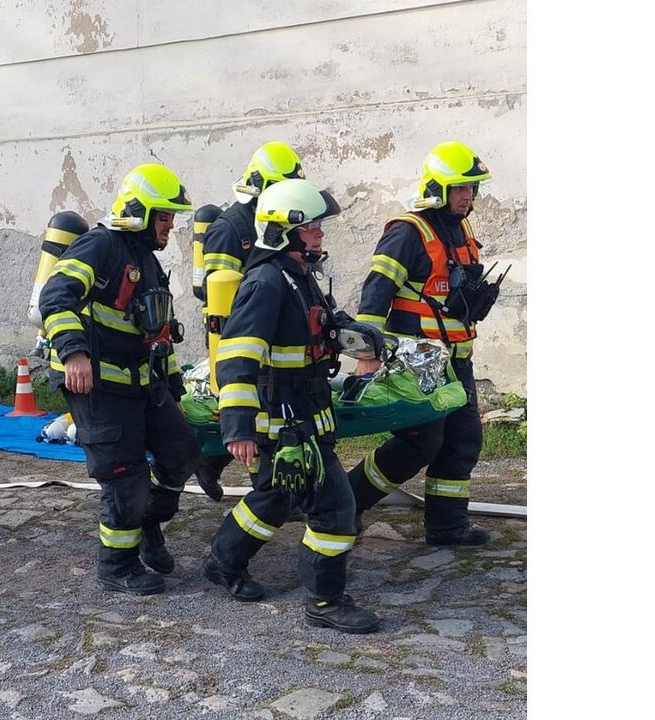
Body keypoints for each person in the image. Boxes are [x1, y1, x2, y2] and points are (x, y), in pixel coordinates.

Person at [203, 178, 380, 634]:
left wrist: (355, 334)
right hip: (282, 422)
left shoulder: (299, 275)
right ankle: (325, 600)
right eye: (314, 227)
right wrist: (238, 427)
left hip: (305, 414)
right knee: (335, 509)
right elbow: (238, 356)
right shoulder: (265, 281)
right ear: (286, 230)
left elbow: (321, 325)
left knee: (276, 495)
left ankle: (223, 562)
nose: (321, 234)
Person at [38, 163, 201, 595]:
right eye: (163, 217)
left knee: (183, 451)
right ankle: (117, 566)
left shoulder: (146, 260)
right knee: (124, 474)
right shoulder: (101, 246)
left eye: (171, 217)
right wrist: (74, 352)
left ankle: (149, 522)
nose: (169, 225)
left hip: (144, 384)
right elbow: (56, 296)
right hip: (97, 387)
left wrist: (175, 391)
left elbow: (158, 336)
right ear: (139, 212)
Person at [347, 141, 499, 546]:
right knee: (420, 444)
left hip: (457, 361)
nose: (467, 196)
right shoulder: (407, 232)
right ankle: (345, 505)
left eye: (472, 188)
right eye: (460, 188)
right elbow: (376, 292)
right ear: (438, 188)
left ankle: (447, 529)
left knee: (462, 442)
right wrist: (367, 353)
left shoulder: (460, 227)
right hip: (419, 366)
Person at [192, 141, 306, 501]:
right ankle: (266, 490)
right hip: (242, 335)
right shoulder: (231, 228)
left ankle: (208, 461)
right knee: (252, 408)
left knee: (267, 408)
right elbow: (222, 300)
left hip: (274, 332)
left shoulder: (274, 222)